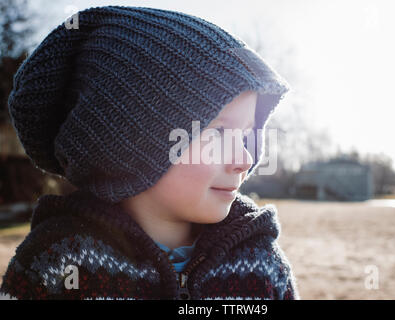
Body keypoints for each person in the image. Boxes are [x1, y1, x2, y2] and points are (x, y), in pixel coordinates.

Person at [0, 5, 299, 300]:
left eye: (246, 134)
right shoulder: (58, 264)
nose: (244, 160)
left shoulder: (262, 267)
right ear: (129, 141)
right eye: (218, 133)